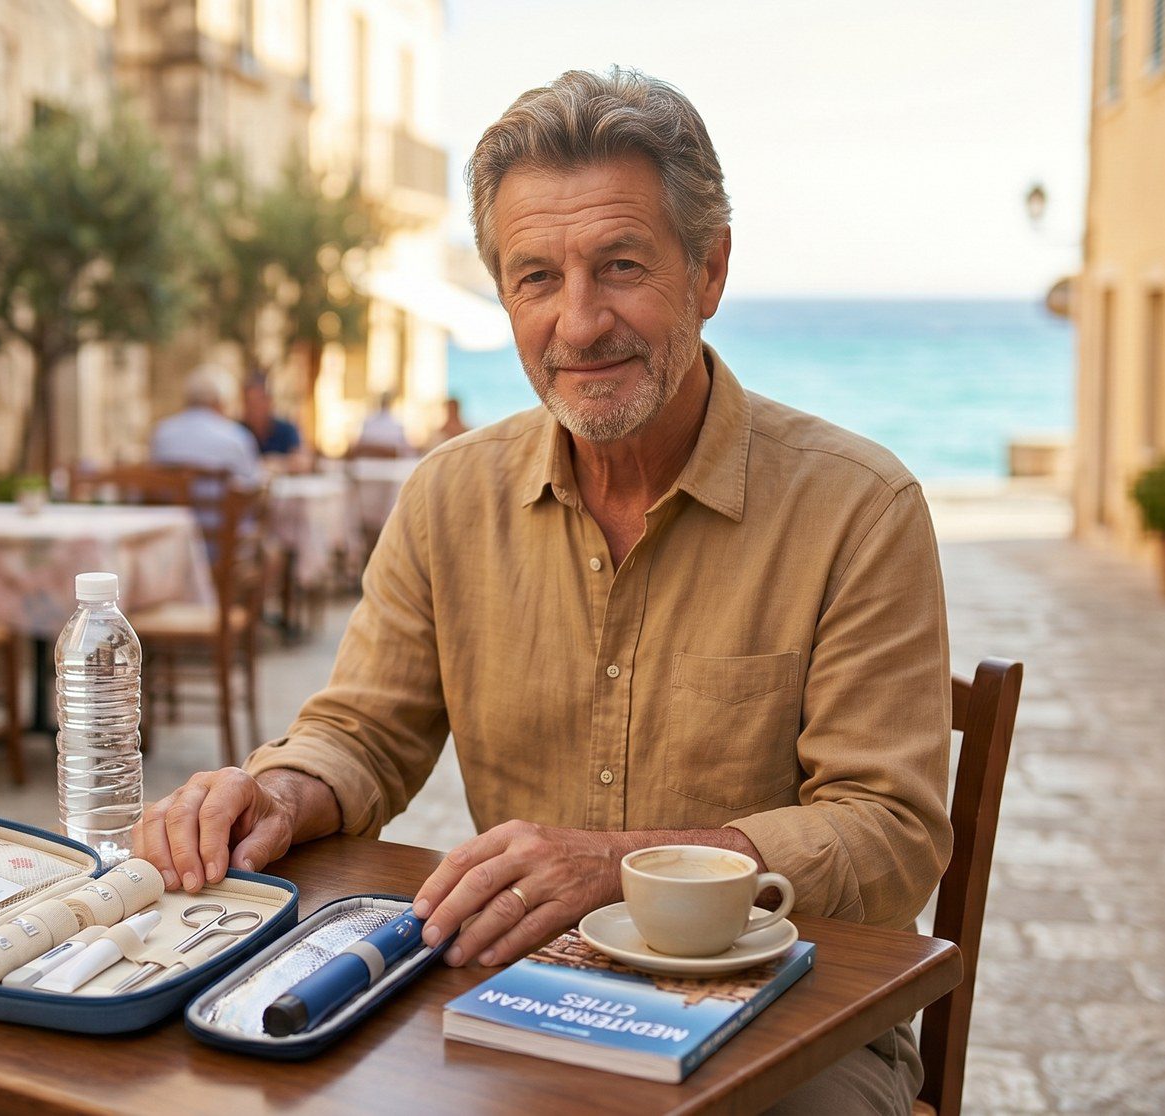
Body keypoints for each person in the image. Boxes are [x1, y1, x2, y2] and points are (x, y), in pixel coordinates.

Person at [136, 68, 949, 1113]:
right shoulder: (447, 496)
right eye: (534, 277)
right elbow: (364, 731)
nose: (577, 323)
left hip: (791, 1024)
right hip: (516, 991)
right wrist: (281, 790)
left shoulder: (857, 507)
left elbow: (888, 834)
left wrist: (626, 867)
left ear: (708, 271)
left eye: (619, 266)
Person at [149, 365, 263, 489]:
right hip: (221, 508)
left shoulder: (162, 432)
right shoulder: (236, 437)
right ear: (220, 401)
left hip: (173, 507)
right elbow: (252, 484)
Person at [241, 377, 304, 459]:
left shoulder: (286, 429)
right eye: (250, 402)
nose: (254, 408)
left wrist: (278, 463)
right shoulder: (236, 431)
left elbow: (302, 459)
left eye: (259, 401)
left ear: (269, 402)